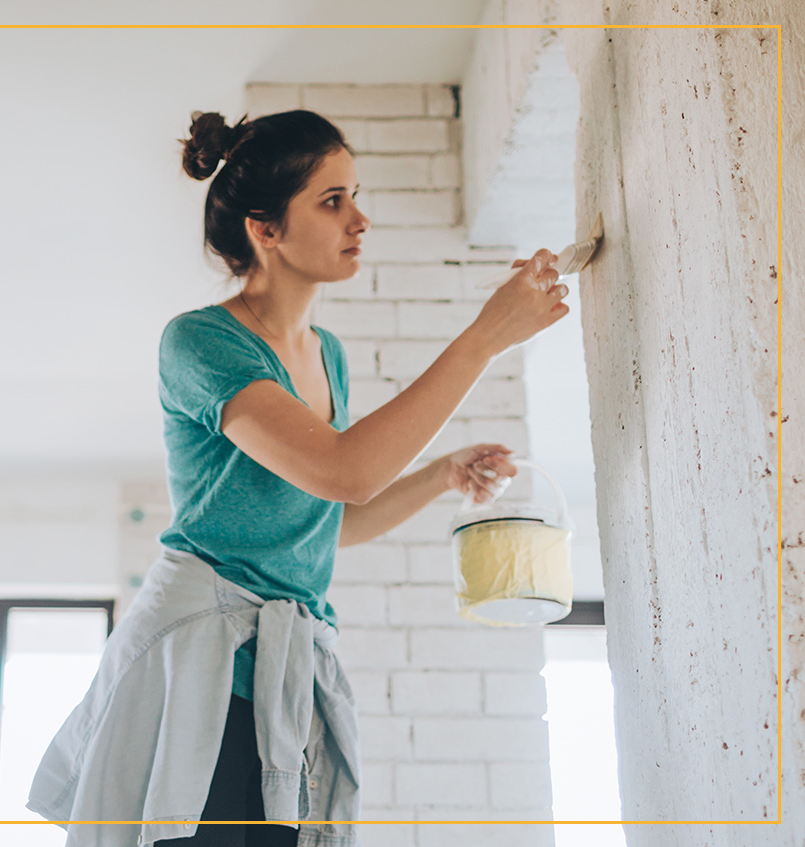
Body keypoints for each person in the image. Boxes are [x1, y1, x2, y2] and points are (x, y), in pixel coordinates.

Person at [28, 110, 568, 847]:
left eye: (355, 195)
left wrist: (441, 475)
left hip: (279, 672)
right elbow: (345, 473)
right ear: (265, 229)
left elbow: (323, 521)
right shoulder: (201, 342)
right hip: (199, 665)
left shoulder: (328, 355)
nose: (360, 218)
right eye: (332, 200)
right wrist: (484, 338)